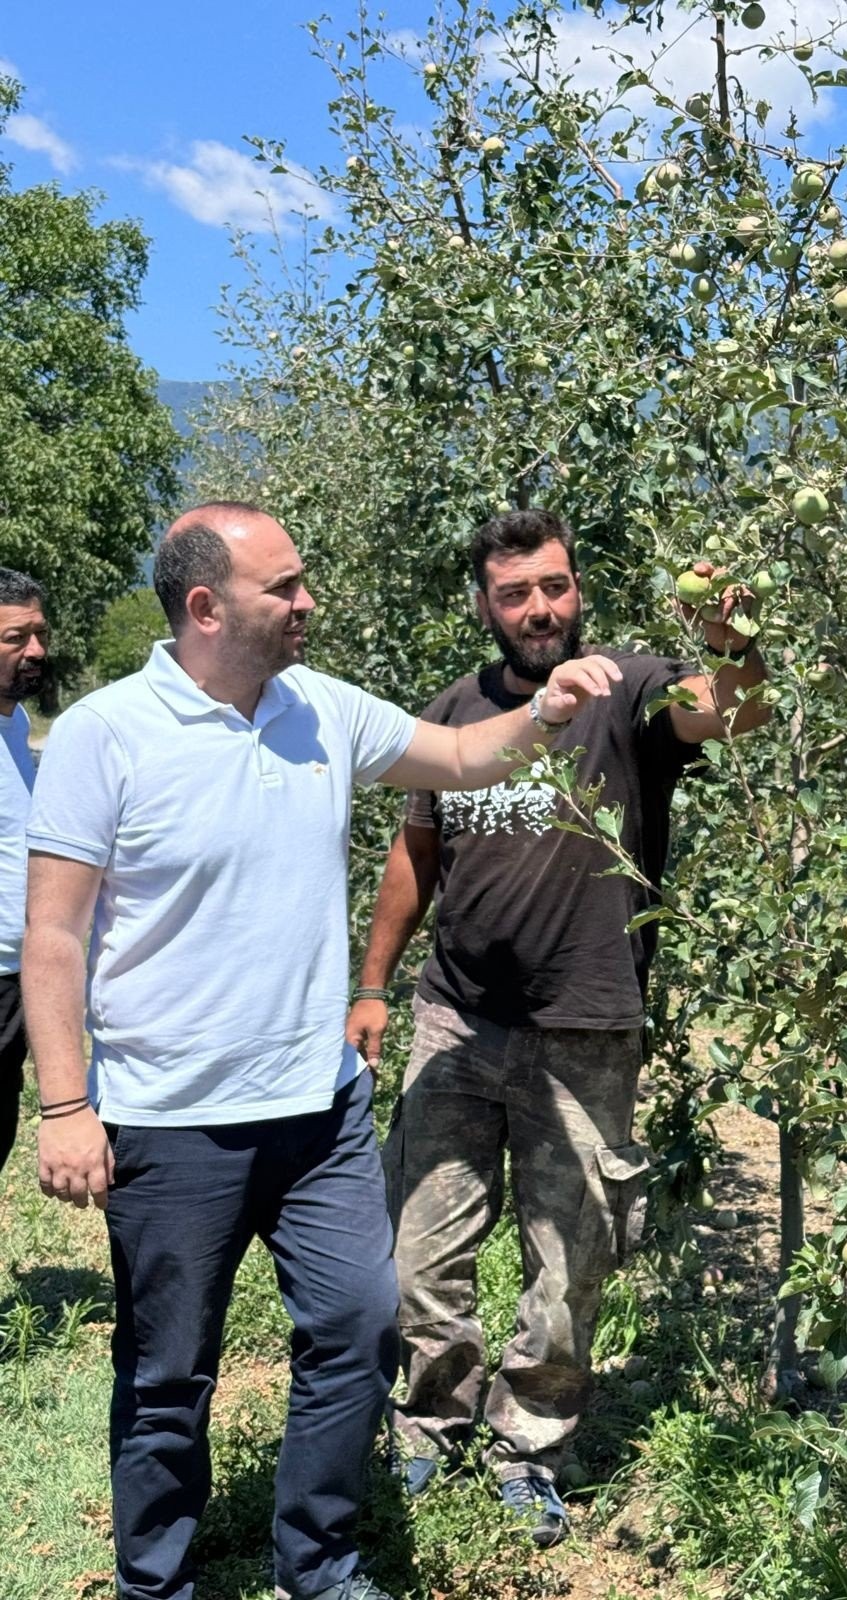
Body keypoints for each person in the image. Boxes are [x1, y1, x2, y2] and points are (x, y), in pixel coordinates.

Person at [22, 501, 620, 1600]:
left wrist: (545, 708)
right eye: (285, 588)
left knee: (358, 1326)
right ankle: (154, 1580)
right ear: (206, 606)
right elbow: (54, 932)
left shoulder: (321, 709)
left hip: (319, 1110)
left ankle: (322, 1561)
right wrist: (67, 1107)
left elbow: (454, 753)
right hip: (168, 1116)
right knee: (167, 1374)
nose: (309, 604)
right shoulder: (109, 732)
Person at [345, 508, 770, 1546]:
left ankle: (528, 1448)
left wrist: (731, 636)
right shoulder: (453, 709)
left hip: (586, 1026)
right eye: (515, 592)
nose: (539, 608)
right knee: (419, 1251)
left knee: (568, 1267)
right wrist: (372, 983)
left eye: (555, 586)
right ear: (484, 603)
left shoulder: (628, 686)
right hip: (455, 1018)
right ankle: (430, 1423)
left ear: (579, 588)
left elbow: (735, 713)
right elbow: (416, 858)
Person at [0, 568, 48, 1174]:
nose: (36, 649)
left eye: (39, 633)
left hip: (17, 972)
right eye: (16, 638)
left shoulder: (13, 724)